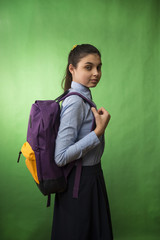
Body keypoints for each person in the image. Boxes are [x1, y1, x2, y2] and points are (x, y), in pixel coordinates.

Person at [51, 44, 113, 240]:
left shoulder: (84, 95)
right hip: (80, 183)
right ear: (72, 69)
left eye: (99, 67)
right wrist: (98, 132)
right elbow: (61, 157)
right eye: (88, 67)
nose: (96, 73)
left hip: (91, 177)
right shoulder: (76, 101)